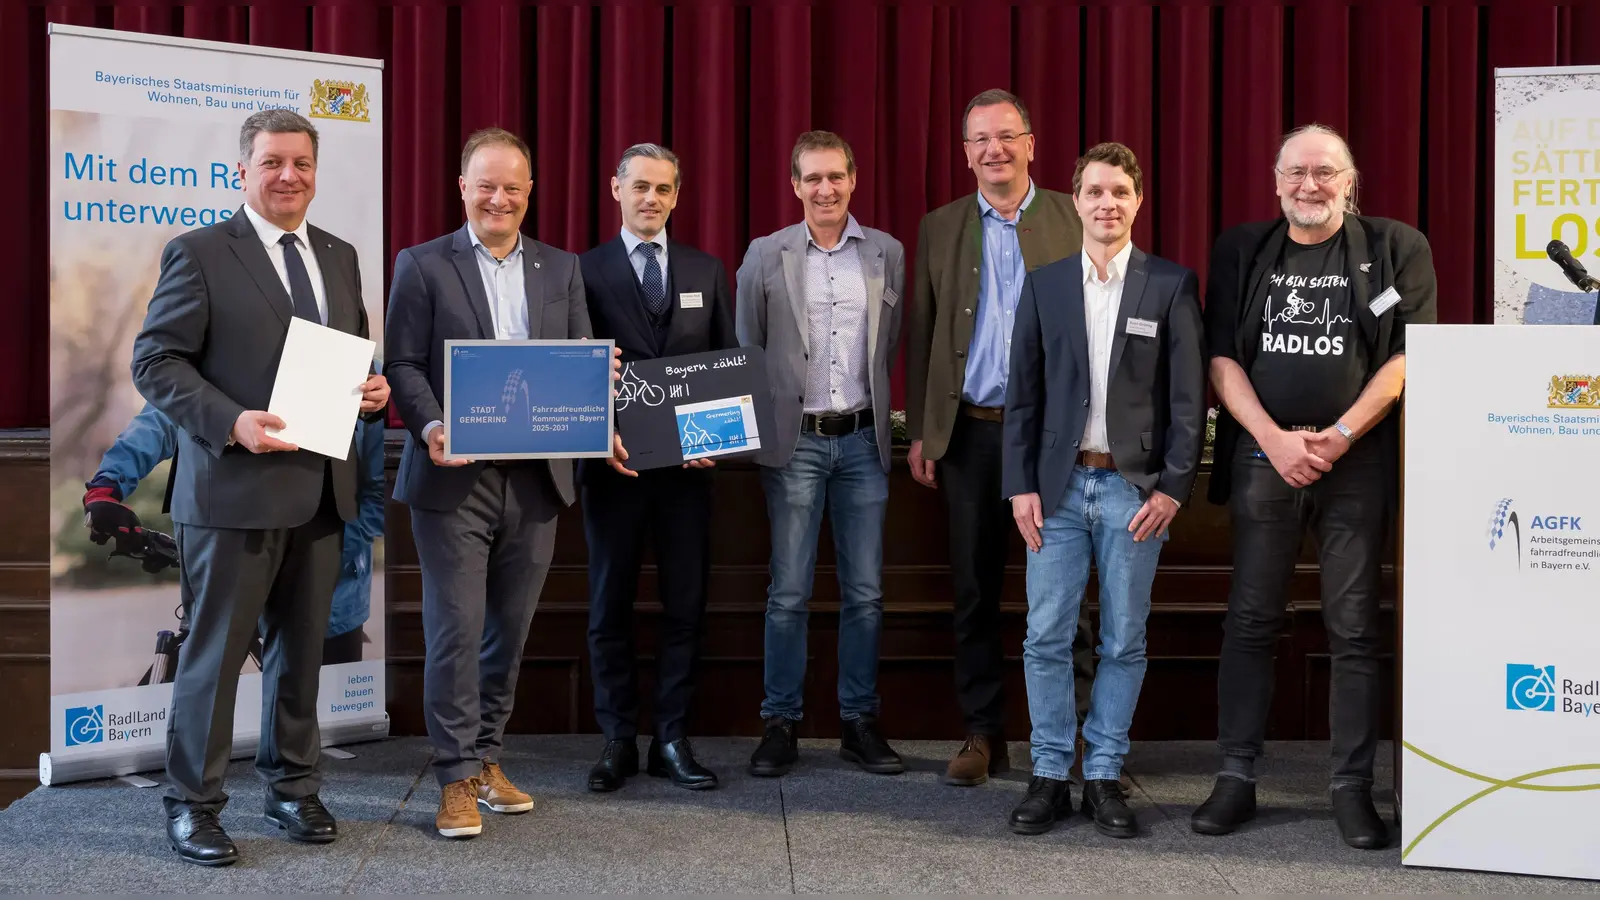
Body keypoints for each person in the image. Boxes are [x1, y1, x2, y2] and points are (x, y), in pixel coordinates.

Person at [130, 109, 390, 866]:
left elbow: (352, 354)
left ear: (316, 170)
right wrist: (231, 421)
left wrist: (372, 391)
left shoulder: (339, 255)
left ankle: (293, 787)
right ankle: (194, 805)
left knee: (301, 656)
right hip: (230, 494)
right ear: (242, 170)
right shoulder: (201, 252)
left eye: (302, 164)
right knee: (211, 659)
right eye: (273, 162)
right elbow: (156, 363)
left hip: (320, 493)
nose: (288, 176)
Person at [1192, 124, 1436, 849]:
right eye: (1296, 172)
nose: (1310, 184)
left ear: (1349, 180)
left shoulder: (1396, 248)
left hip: (1355, 460)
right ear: (1275, 182)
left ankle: (1352, 788)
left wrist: (1339, 436)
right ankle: (1235, 776)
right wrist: (1272, 439)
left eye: (1325, 172)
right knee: (1251, 620)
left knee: (1355, 627)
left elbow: (1407, 356)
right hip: (1263, 457)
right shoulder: (1242, 249)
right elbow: (1221, 356)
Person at [385, 127, 618, 840]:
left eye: (513, 186)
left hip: (540, 482)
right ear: (463, 189)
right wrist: (429, 426)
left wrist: (597, 416)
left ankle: (488, 758)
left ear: (530, 191)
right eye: (486, 184)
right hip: (454, 480)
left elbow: (581, 363)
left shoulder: (563, 268)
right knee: (454, 632)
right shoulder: (422, 265)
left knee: (506, 635)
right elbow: (403, 364)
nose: (499, 198)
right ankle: (454, 776)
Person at [1002, 142, 1205, 837]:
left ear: (1137, 200)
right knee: (1045, 635)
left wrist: (1174, 488)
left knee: (1123, 639)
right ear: (1076, 200)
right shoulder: (1045, 284)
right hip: (1054, 494)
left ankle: (1104, 775)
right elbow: (1022, 398)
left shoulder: (1170, 285)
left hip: (1133, 493)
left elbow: (1187, 400)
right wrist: (1019, 488)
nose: (1107, 204)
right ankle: (1051, 774)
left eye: (1119, 191)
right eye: (1094, 191)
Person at [906, 88, 1099, 786]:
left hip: (1054, 441)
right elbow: (924, 335)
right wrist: (927, 430)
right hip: (972, 439)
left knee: (1066, 595)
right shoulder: (939, 227)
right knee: (975, 593)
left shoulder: (1076, 220)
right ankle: (983, 733)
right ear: (965, 154)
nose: (994, 149)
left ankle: (1071, 733)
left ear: (1031, 145)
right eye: (980, 139)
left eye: (1006, 136)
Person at [736, 131, 906, 778]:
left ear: (854, 179)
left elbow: (889, 344)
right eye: (812, 178)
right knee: (789, 593)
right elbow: (748, 345)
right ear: (795, 185)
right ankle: (780, 722)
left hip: (863, 441)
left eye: (835, 176)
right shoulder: (765, 255)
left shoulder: (886, 252)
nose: (825, 189)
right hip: (794, 444)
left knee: (865, 593)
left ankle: (858, 722)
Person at [580, 143, 736, 792]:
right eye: (640, 185)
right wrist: (600, 434)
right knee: (608, 604)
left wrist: (720, 435)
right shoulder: (581, 272)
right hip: (612, 469)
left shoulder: (707, 269)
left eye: (664, 189)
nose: (651, 198)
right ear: (615, 189)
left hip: (687, 471)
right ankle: (617, 738)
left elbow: (725, 363)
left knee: (686, 604)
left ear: (678, 195)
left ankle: (671, 736)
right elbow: (572, 368)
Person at [82, 380, 385, 668]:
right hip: (232, 558)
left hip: (330, 590)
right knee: (205, 705)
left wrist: (329, 553)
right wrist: (107, 485)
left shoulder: (357, 365)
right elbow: (163, 417)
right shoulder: (223, 347)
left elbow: (379, 493)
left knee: (323, 714)